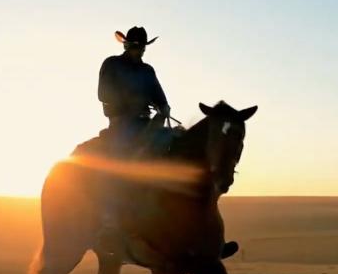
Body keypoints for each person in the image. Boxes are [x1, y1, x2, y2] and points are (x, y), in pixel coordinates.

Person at [95, 26, 239, 260]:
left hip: (147, 123)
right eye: (134, 45)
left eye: (141, 46)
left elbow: (160, 96)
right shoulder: (111, 65)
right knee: (120, 164)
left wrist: (164, 106)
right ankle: (110, 226)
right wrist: (131, 102)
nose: (138, 50)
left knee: (179, 149)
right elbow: (104, 94)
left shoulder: (148, 70)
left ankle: (206, 235)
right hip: (122, 123)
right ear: (125, 45)